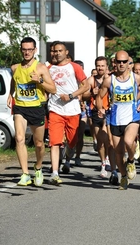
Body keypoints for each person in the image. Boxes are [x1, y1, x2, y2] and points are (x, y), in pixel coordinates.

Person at [96, 50, 140, 190]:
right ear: (115, 63)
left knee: (128, 141)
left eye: (124, 62)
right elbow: (98, 97)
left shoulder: (136, 78)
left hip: (132, 117)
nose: (121, 64)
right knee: (118, 152)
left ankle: (131, 160)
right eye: (118, 61)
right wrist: (100, 108)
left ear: (128, 63)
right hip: (115, 119)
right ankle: (124, 177)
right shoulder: (109, 80)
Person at [8, 37, 56, 186]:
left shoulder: (41, 68)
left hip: (36, 107)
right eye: (24, 49)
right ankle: (25, 174)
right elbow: (14, 81)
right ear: (21, 50)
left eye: (30, 49)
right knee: (20, 139)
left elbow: (53, 89)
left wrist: (39, 81)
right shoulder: (15, 67)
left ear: (35, 50)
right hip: (20, 107)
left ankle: (38, 167)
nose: (27, 52)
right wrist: (11, 94)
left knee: (39, 143)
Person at [47, 41, 90, 185]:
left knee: (72, 142)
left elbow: (86, 85)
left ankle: (68, 158)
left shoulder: (74, 67)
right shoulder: (49, 68)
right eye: (54, 51)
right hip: (55, 109)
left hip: (72, 110)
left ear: (66, 52)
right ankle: (54, 173)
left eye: (60, 50)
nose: (56, 53)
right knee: (55, 142)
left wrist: (71, 95)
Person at [83, 56, 112, 177]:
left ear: (107, 67)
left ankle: (109, 160)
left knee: (107, 138)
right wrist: (91, 93)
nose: (100, 68)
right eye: (98, 66)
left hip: (108, 111)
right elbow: (83, 96)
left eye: (102, 66)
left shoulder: (111, 79)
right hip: (95, 112)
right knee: (100, 141)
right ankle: (103, 163)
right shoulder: (91, 80)